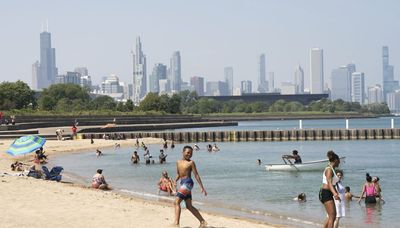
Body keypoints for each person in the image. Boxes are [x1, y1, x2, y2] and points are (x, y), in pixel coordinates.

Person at [174, 146, 207, 227]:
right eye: (188, 152)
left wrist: (202, 187)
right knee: (189, 206)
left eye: (191, 153)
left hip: (188, 183)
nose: (189, 154)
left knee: (176, 202)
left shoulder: (191, 163)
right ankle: (202, 221)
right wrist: (175, 181)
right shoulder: (178, 162)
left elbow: (196, 175)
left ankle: (176, 224)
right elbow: (179, 174)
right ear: (183, 152)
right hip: (183, 183)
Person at [319, 150, 341, 228]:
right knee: (332, 216)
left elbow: (333, 184)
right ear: (335, 160)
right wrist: (335, 194)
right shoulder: (329, 169)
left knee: (332, 216)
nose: (340, 162)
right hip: (325, 193)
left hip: (328, 193)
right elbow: (329, 183)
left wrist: (336, 193)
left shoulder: (332, 169)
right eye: (339, 161)